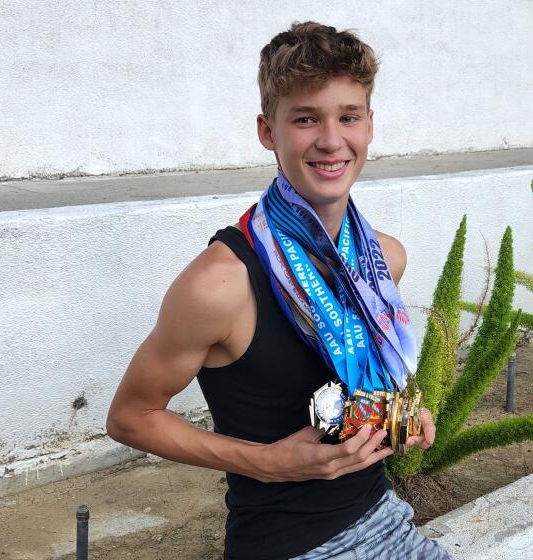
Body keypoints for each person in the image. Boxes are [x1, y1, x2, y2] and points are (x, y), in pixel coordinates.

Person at [106, 22, 453, 560]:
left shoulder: (383, 259)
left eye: (348, 117)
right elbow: (130, 417)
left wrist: (401, 414)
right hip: (290, 546)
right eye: (306, 119)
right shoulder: (218, 284)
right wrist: (268, 461)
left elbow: (357, 380)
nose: (332, 140)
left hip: (388, 521)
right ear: (268, 131)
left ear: (369, 126)